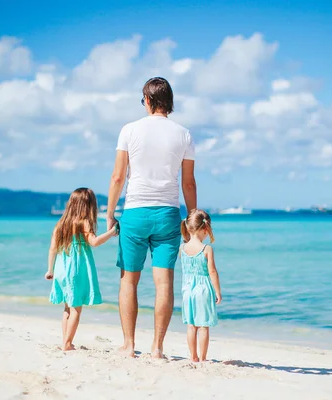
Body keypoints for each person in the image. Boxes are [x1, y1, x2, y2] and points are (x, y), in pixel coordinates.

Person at [106, 77, 197, 358]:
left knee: (128, 281)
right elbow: (189, 183)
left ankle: (129, 345)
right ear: (168, 101)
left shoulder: (129, 130)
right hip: (168, 213)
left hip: (135, 212)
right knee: (164, 283)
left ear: (147, 99)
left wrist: (109, 214)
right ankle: (157, 348)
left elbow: (118, 176)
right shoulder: (184, 134)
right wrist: (192, 219)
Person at [45, 188, 118, 351]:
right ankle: (67, 344)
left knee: (67, 307)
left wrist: (50, 270)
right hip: (76, 269)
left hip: (61, 269)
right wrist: (112, 232)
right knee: (76, 307)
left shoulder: (61, 224)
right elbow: (94, 242)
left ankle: (66, 341)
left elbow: (52, 249)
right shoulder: (84, 222)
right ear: (89, 206)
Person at [180, 209, 221, 362]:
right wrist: (218, 291)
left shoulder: (182, 248)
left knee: (191, 326)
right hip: (203, 290)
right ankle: (203, 358)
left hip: (187, 290)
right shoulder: (206, 249)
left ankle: (193, 357)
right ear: (205, 229)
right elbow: (212, 271)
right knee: (203, 326)